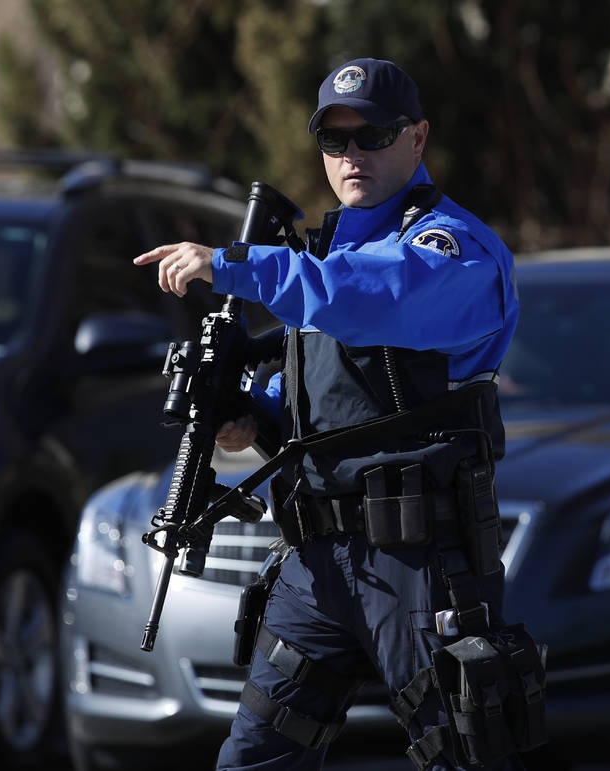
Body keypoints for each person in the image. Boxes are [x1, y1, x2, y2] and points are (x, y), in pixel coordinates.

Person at [135, 58, 523, 771]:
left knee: (462, 757)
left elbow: (376, 297)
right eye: (334, 140)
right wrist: (249, 417)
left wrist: (236, 264)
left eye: (373, 135)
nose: (352, 155)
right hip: (315, 565)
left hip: (417, 561)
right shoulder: (324, 262)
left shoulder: (451, 247)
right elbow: (318, 394)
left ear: (418, 138)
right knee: (252, 759)